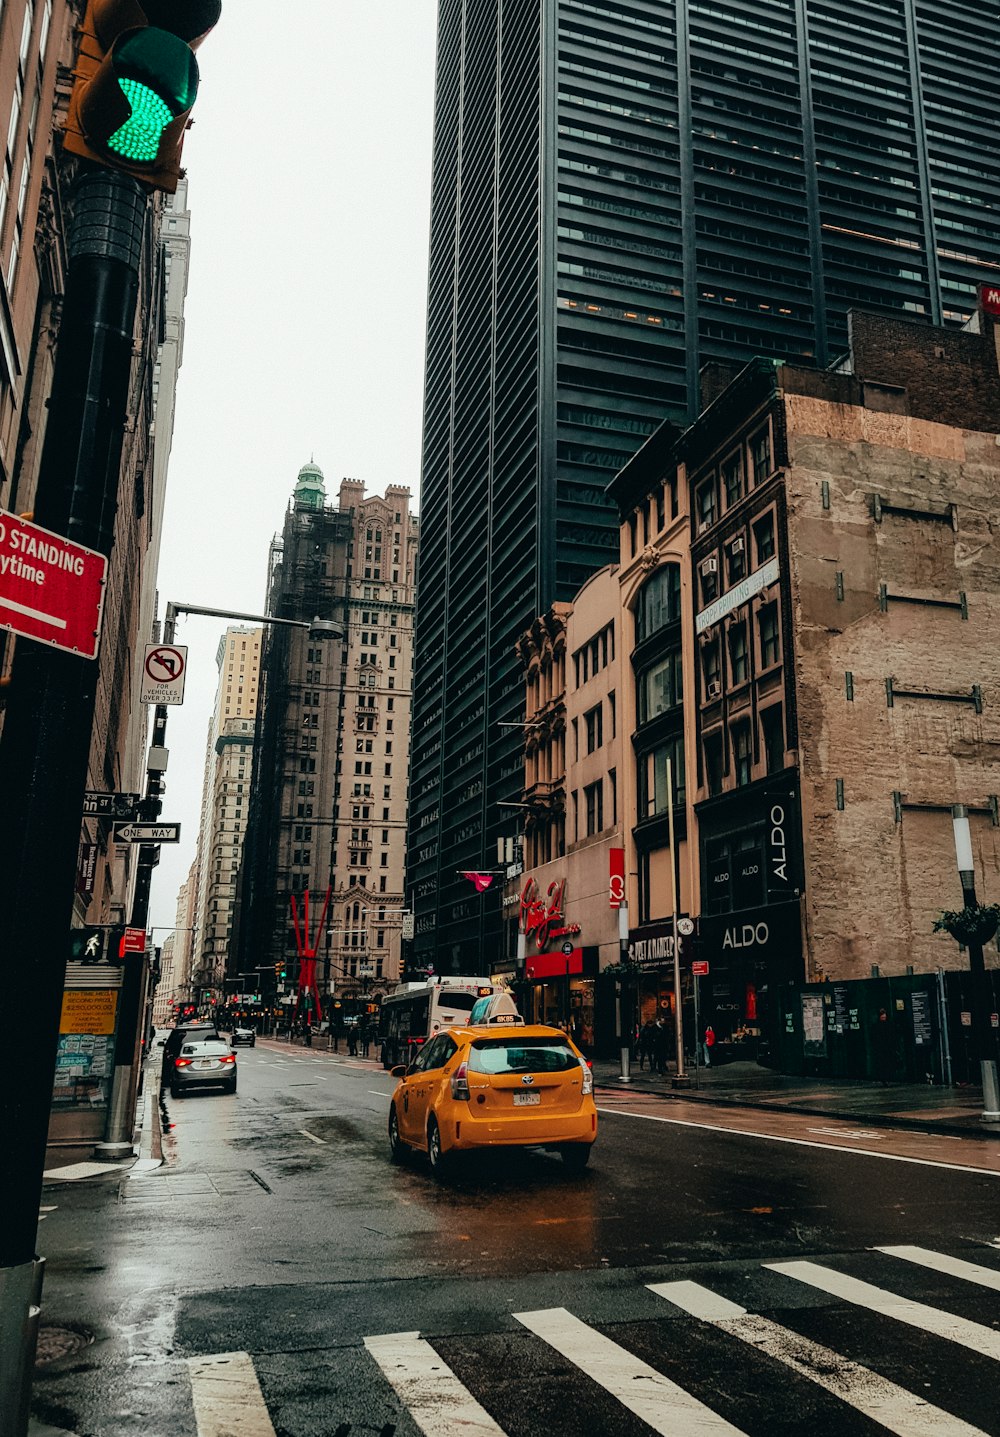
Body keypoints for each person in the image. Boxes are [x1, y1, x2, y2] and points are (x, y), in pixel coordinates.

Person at [873, 1008, 894, 1086]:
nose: (883, 1018)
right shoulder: (888, 1025)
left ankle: (885, 1079)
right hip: (884, 1048)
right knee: (885, 1064)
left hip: (883, 1048)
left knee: (884, 1064)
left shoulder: (877, 1026)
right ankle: (886, 1078)